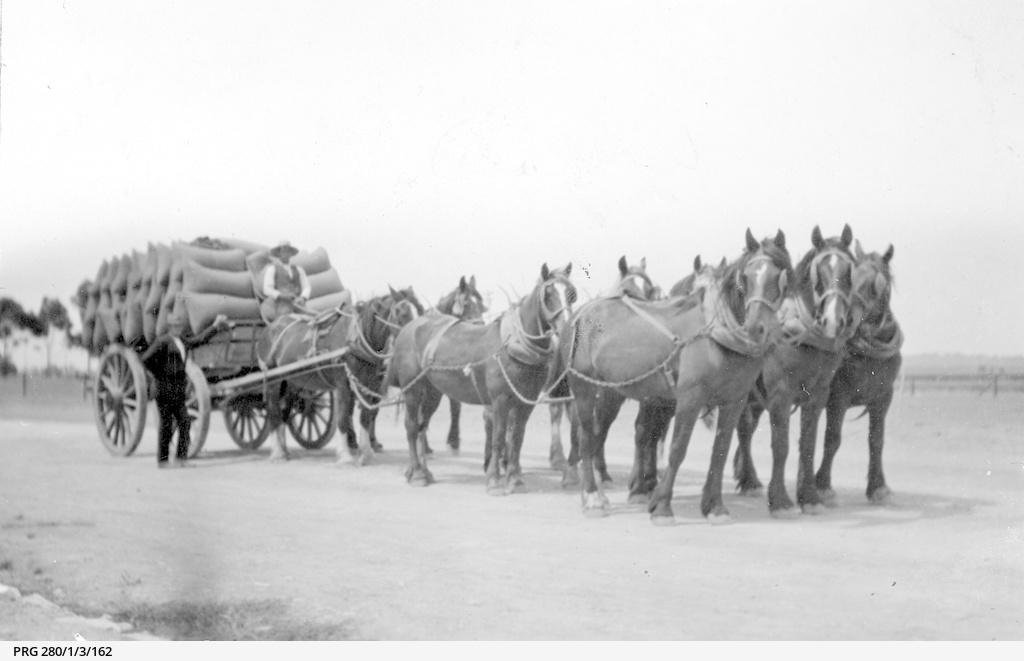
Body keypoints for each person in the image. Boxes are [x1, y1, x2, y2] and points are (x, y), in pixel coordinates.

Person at [141, 314, 230, 468]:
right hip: (164, 390)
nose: (178, 328)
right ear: (170, 327)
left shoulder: (182, 341)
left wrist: (215, 326)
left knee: (184, 422)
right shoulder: (163, 341)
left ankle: (181, 459)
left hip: (177, 391)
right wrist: (161, 374)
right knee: (166, 425)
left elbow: (200, 339)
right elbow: (146, 359)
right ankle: (162, 461)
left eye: (180, 326)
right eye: (175, 326)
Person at [260, 241, 312, 321]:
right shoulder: (272, 269)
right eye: (283, 251)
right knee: (284, 323)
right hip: (283, 305)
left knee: (311, 323)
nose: (286, 253)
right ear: (278, 254)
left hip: (299, 305)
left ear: (290, 253)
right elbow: (267, 289)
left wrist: (303, 298)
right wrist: (282, 295)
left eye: (288, 251)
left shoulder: (299, 269)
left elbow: (306, 287)